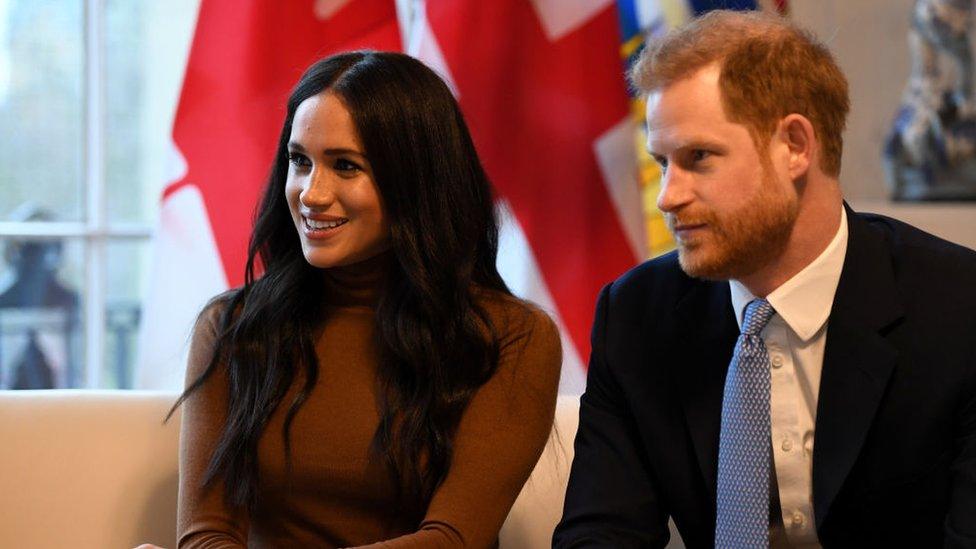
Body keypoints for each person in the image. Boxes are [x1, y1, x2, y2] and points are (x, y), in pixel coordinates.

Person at [553, 10, 976, 548]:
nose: (667, 196)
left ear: (795, 146)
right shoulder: (636, 314)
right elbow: (601, 533)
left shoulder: (959, 310)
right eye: (662, 162)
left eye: (699, 157)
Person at [173, 51, 561, 548]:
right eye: (299, 161)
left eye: (345, 166)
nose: (311, 194)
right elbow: (207, 536)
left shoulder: (511, 337)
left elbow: (451, 540)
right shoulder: (232, 325)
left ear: (417, 180)